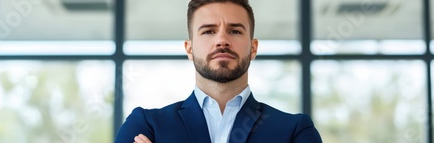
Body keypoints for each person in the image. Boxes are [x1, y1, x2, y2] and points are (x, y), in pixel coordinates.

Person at [115, 0, 322, 142]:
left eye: (234, 31)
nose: (222, 40)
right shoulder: (145, 125)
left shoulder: (295, 131)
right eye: (208, 31)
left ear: (253, 48)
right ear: (189, 48)